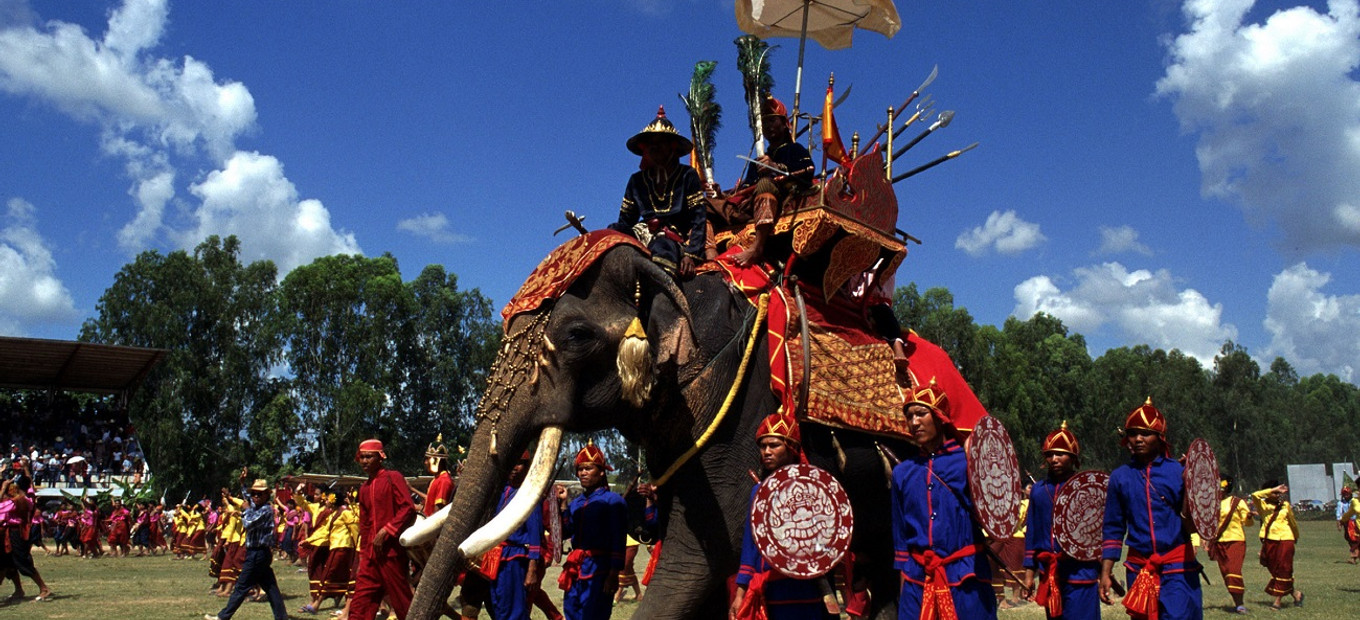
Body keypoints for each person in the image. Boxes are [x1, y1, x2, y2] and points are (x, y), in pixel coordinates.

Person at [892, 379, 997, 620]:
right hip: (917, 579)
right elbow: (900, 536)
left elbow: (994, 512)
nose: (914, 422)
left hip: (966, 576)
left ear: (940, 417)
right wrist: (905, 586)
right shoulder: (902, 472)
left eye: (921, 414)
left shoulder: (967, 462)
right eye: (909, 416)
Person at [1099, 398, 1203, 620]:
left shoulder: (1179, 472)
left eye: (1145, 434)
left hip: (1177, 567)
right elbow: (1113, 527)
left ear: (1160, 437)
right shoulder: (1119, 477)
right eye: (1133, 433)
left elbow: (1195, 521)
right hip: (1139, 568)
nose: (1138, 439)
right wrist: (1105, 572)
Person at [730, 412, 837, 620]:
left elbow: (828, 537)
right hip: (770, 589)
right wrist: (740, 593)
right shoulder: (758, 491)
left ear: (791, 448)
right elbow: (751, 545)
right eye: (763, 446)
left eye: (774, 445)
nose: (766, 452)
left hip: (807, 589)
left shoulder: (814, 488)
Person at [610, 106, 707, 279]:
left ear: (672, 147)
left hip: (673, 237)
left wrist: (691, 255)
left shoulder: (688, 175)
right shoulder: (636, 180)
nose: (654, 147)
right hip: (641, 233)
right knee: (612, 232)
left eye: (660, 142)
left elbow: (699, 219)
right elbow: (625, 221)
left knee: (661, 247)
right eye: (650, 143)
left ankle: (662, 293)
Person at [726, 94, 814, 267]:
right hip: (749, 205)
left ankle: (757, 247)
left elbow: (808, 171)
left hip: (781, 200)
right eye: (764, 122)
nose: (768, 126)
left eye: (772, 120)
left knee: (765, 184)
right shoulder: (758, 160)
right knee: (709, 205)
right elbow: (747, 185)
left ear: (784, 123)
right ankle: (708, 256)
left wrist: (776, 167)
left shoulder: (795, 149)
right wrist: (724, 194)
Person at [1023, 422, 1099, 620]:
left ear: (1073, 458)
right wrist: (1029, 574)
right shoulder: (1038, 491)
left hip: (1081, 572)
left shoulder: (1085, 488)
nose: (1054, 459)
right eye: (1050, 455)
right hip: (1050, 572)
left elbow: (1097, 532)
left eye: (1060, 454)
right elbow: (1032, 533)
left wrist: (1104, 570)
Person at [556, 440, 627, 620]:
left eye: (588, 468)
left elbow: (618, 539)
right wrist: (563, 504)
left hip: (600, 569)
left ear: (601, 472)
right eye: (580, 469)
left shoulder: (613, 501)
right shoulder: (576, 503)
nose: (583, 473)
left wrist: (613, 574)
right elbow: (567, 532)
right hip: (575, 568)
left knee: (594, 614)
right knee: (571, 612)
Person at [204, 471, 289, 620]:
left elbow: (248, 523)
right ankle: (281, 617)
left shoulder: (265, 510)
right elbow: (247, 498)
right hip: (257, 553)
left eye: (259, 494)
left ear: (266, 495)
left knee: (241, 586)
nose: (255, 496)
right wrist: (242, 484)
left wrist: (245, 509)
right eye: (254, 493)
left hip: (258, 553)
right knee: (271, 587)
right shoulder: (256, 505)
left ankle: (223, 617)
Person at [351, 438, 417, 620]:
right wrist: (363, 554)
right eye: (362, 457)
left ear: (380, 457)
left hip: (391, 552)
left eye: (369, 457)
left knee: (401, 600)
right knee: (360, 603)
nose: (364, 461)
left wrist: (386, 530)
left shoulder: (393, 477)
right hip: (371, 556)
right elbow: (364, 525)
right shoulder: (364, 488)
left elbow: (408, 508)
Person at [489, 450, 545, 620]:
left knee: (514, 611)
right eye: (512, 462)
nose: (514, 467)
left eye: (519, 463)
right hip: (495, 557)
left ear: (527, 467)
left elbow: (535, 534)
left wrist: (532, 569)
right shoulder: (500, 492)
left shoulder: (529, 494)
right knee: (499, 608)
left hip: (515, 558)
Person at [0, 476, 52, 602]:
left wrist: (3, 488)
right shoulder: (21, 500)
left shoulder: (17, 501)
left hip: (16, 534)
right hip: (9, 533)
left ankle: (44, 589)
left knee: (22, 561)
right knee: (6, 563)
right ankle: (19, 590)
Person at [1252, 482, 1303, 610]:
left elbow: (1292, 521)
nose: (1277, 495)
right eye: (1275, 493)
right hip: (1270, 540)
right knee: (1274, 569)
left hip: (1286, 539)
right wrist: (1273, 489)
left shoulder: (1285, 505)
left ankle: (1277, 601)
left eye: (1278, 493)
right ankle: (1296, 594)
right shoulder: (1262, 505)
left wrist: (1296, 536)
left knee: (1284, 568)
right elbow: (1255, 495)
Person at [1208, 476, 1253, 614]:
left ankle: (1240, 604)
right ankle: (1237, 602)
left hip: (1235, 540)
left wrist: (1249, 517)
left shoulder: (1237, 502)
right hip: (1219, 542)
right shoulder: (1211, 504)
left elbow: (1247, 523)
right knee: (1226, 573)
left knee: (1234, 571)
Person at [1337, 486, 1359, 564]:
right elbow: (1339, 514)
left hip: (1356, 522)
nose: (1346, 495)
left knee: (1354, 539)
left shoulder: (1355, 501)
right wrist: (1339, 524)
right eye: (1344, 494)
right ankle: (1354, 556)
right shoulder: (1341, 503)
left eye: (1347, 494)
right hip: (1347, 523)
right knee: (1349, 538)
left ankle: (1354, 557)